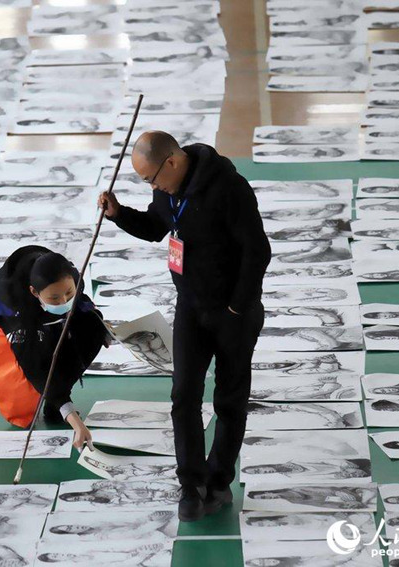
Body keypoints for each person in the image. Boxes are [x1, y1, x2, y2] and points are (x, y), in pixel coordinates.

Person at [99, 131, 271, 522]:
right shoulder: (168, 190)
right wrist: (119, 214)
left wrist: (235, 309)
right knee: (184, 396)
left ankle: (219, 481)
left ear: (173, 162)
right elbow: (157, 227)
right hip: (191, 308)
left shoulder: (229, 188)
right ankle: (190, 484)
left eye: (151, 179)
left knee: (229, 400)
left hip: (233, 314)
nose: (152, 186)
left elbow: (257, 251)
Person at [0, 245, 108, 449]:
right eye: (54, 298)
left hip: (46, 316)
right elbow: (36, 370)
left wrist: (102, 329)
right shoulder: (15, 311)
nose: (64, 300)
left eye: (68, 293)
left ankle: (58, 402)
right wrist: (74, 420)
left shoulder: (68, 279)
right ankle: (58, 401)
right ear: (34, 292)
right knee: (19, 409)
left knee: (92, 330)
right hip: (13, 326)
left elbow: (83, 306)